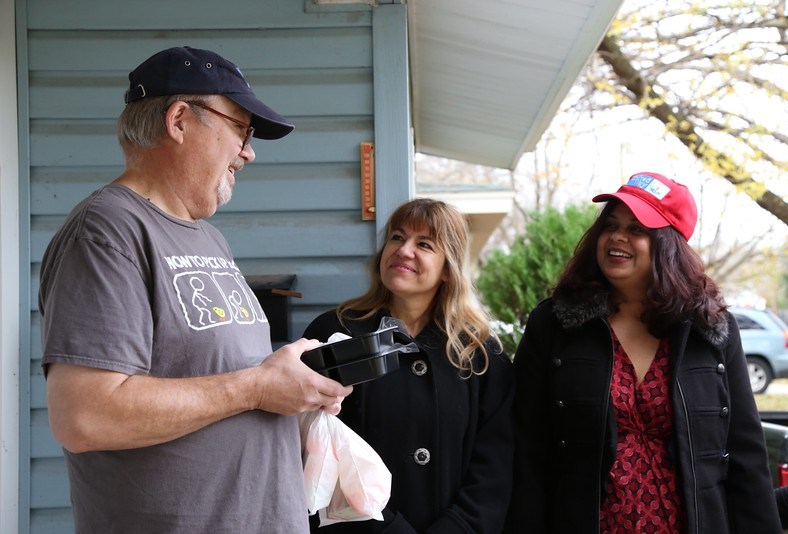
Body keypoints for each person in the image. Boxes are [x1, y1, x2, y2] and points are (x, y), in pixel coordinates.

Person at [38, 46, 352, 533]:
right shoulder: (107, 231)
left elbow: (215, 381)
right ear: (180, 119)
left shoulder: (209, 238)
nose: (249, 151)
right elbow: (85, 416)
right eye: (241, 128)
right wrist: (257, 387)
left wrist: (298, 387)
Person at [504, 172, 782, 533]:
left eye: (637, 229)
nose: (617, 237)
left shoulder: (709, 328)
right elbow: (525, 448)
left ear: (668, 245)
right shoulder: (554, 323)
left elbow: (746, 454)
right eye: (611, 225)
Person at [303, 198, 515, 532]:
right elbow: (318, 450)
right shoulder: (335, 334)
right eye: (397, 237)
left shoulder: (482, 355)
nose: (404, 250)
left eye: (425, 244)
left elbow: (495, 468)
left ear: (448, 268)